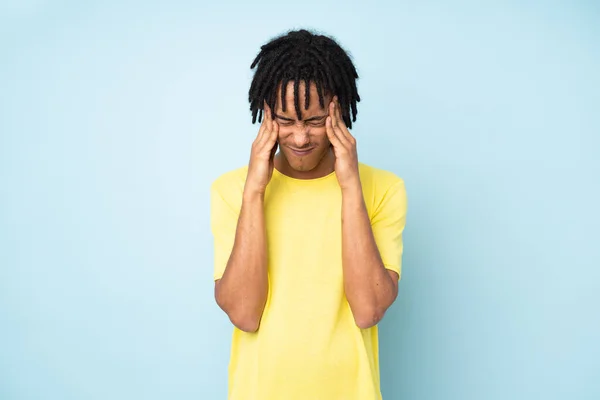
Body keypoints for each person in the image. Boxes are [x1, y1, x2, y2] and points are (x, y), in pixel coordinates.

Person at [209, 29, 408, 400]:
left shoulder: (384, 189)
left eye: (315, 121)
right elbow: (244, 314)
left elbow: (367, 309)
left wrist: (350, 186)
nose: (300, 138)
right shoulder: (231, 190)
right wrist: (255, 191)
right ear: (266, 113)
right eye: (286, 120)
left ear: (339, 108)